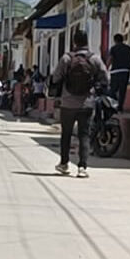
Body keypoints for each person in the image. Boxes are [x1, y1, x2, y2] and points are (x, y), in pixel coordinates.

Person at [51, 30, 108, 178]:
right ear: (87, 41)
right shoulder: (94, 59)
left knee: (66, 134)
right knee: (84, 135)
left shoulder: (66, 58)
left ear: (74, 42)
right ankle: (82, 167)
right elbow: (105, 78)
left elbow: (56, 77)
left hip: (68, 103)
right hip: (87, 102)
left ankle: (64, 164)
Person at [107, 33, 130, 114]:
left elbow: (110, 59)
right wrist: (128, 68)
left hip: (115, 72)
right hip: (125, 71)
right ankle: (120, 108)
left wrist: (105, 68)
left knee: (113, 90)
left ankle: (113, 107)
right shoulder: (128, 49)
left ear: (115, 40)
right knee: (122, 90)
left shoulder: (113, 48)